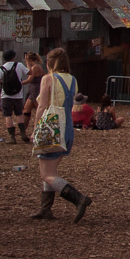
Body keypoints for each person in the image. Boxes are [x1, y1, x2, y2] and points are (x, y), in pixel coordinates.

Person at [29, 47, 92, 222]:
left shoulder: (48, 78)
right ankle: (45, 208)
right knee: (51, 169)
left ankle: (78, 199)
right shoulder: (72, 79)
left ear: (49, 62)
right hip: (67, 127)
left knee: (46, 174)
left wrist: (35, 129)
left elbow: (41, 106)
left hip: (52, 127)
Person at [0, 49, 29, 144]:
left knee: (7, 115)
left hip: (5, 95)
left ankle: (12, 138)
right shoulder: (19, 65)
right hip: (18, 95)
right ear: (13, 57)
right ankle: (23, 134)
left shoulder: (1, 68)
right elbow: (29, 73)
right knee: (19, 114)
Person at [18, 52, 46, 143]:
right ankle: (23, 129)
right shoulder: (38, 67)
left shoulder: (35, 67)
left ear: (29, 60)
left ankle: (38, 130)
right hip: (32, 89)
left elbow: (29, 78)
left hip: (35, 89)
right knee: (26, 109)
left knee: (39, 110)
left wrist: (18, 83)